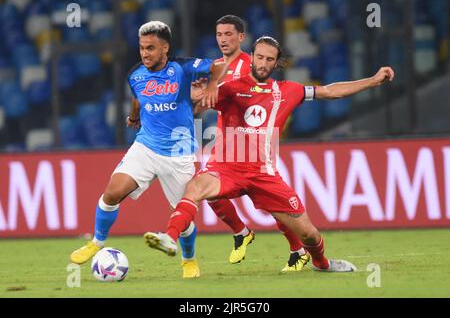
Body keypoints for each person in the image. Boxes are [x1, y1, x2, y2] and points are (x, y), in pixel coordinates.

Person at [144, 36, 395, 273]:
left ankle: (322, 263)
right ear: (251, 57)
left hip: (263, 175)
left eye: (269, 59)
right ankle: (170, 237)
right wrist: (194, 95)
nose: (263, 63)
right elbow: (195, 104)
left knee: (308, 234)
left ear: (277, 63)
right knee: (195, 188)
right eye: (259, 57)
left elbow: (330, 91)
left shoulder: (289, 90)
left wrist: (373, 81)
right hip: (226, 167)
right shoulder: (230, 88)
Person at [69, 21, 227, 279]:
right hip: (145, 146)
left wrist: (211, 87)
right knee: (112, 193)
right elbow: (137, 97)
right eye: (142, 48)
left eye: (151, 48)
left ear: (165, 48)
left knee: (182, 215)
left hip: (179, 151)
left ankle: (189, 260)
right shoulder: (135, 74)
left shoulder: (183, 67)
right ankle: (96, 242)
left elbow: (220, 64)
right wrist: (134, 117)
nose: (145, 54)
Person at [195, 15, 310, 272]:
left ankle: (297, 249)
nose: (223, 39)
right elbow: (204, 100)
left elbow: (266, 96)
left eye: (228, 34)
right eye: (219, 35)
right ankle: (241, 231)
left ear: (240, 37)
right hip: (226, 147)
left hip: (256, 149)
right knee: (208, 192)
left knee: (274, 207)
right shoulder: (213, 67)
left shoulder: (252, 63)